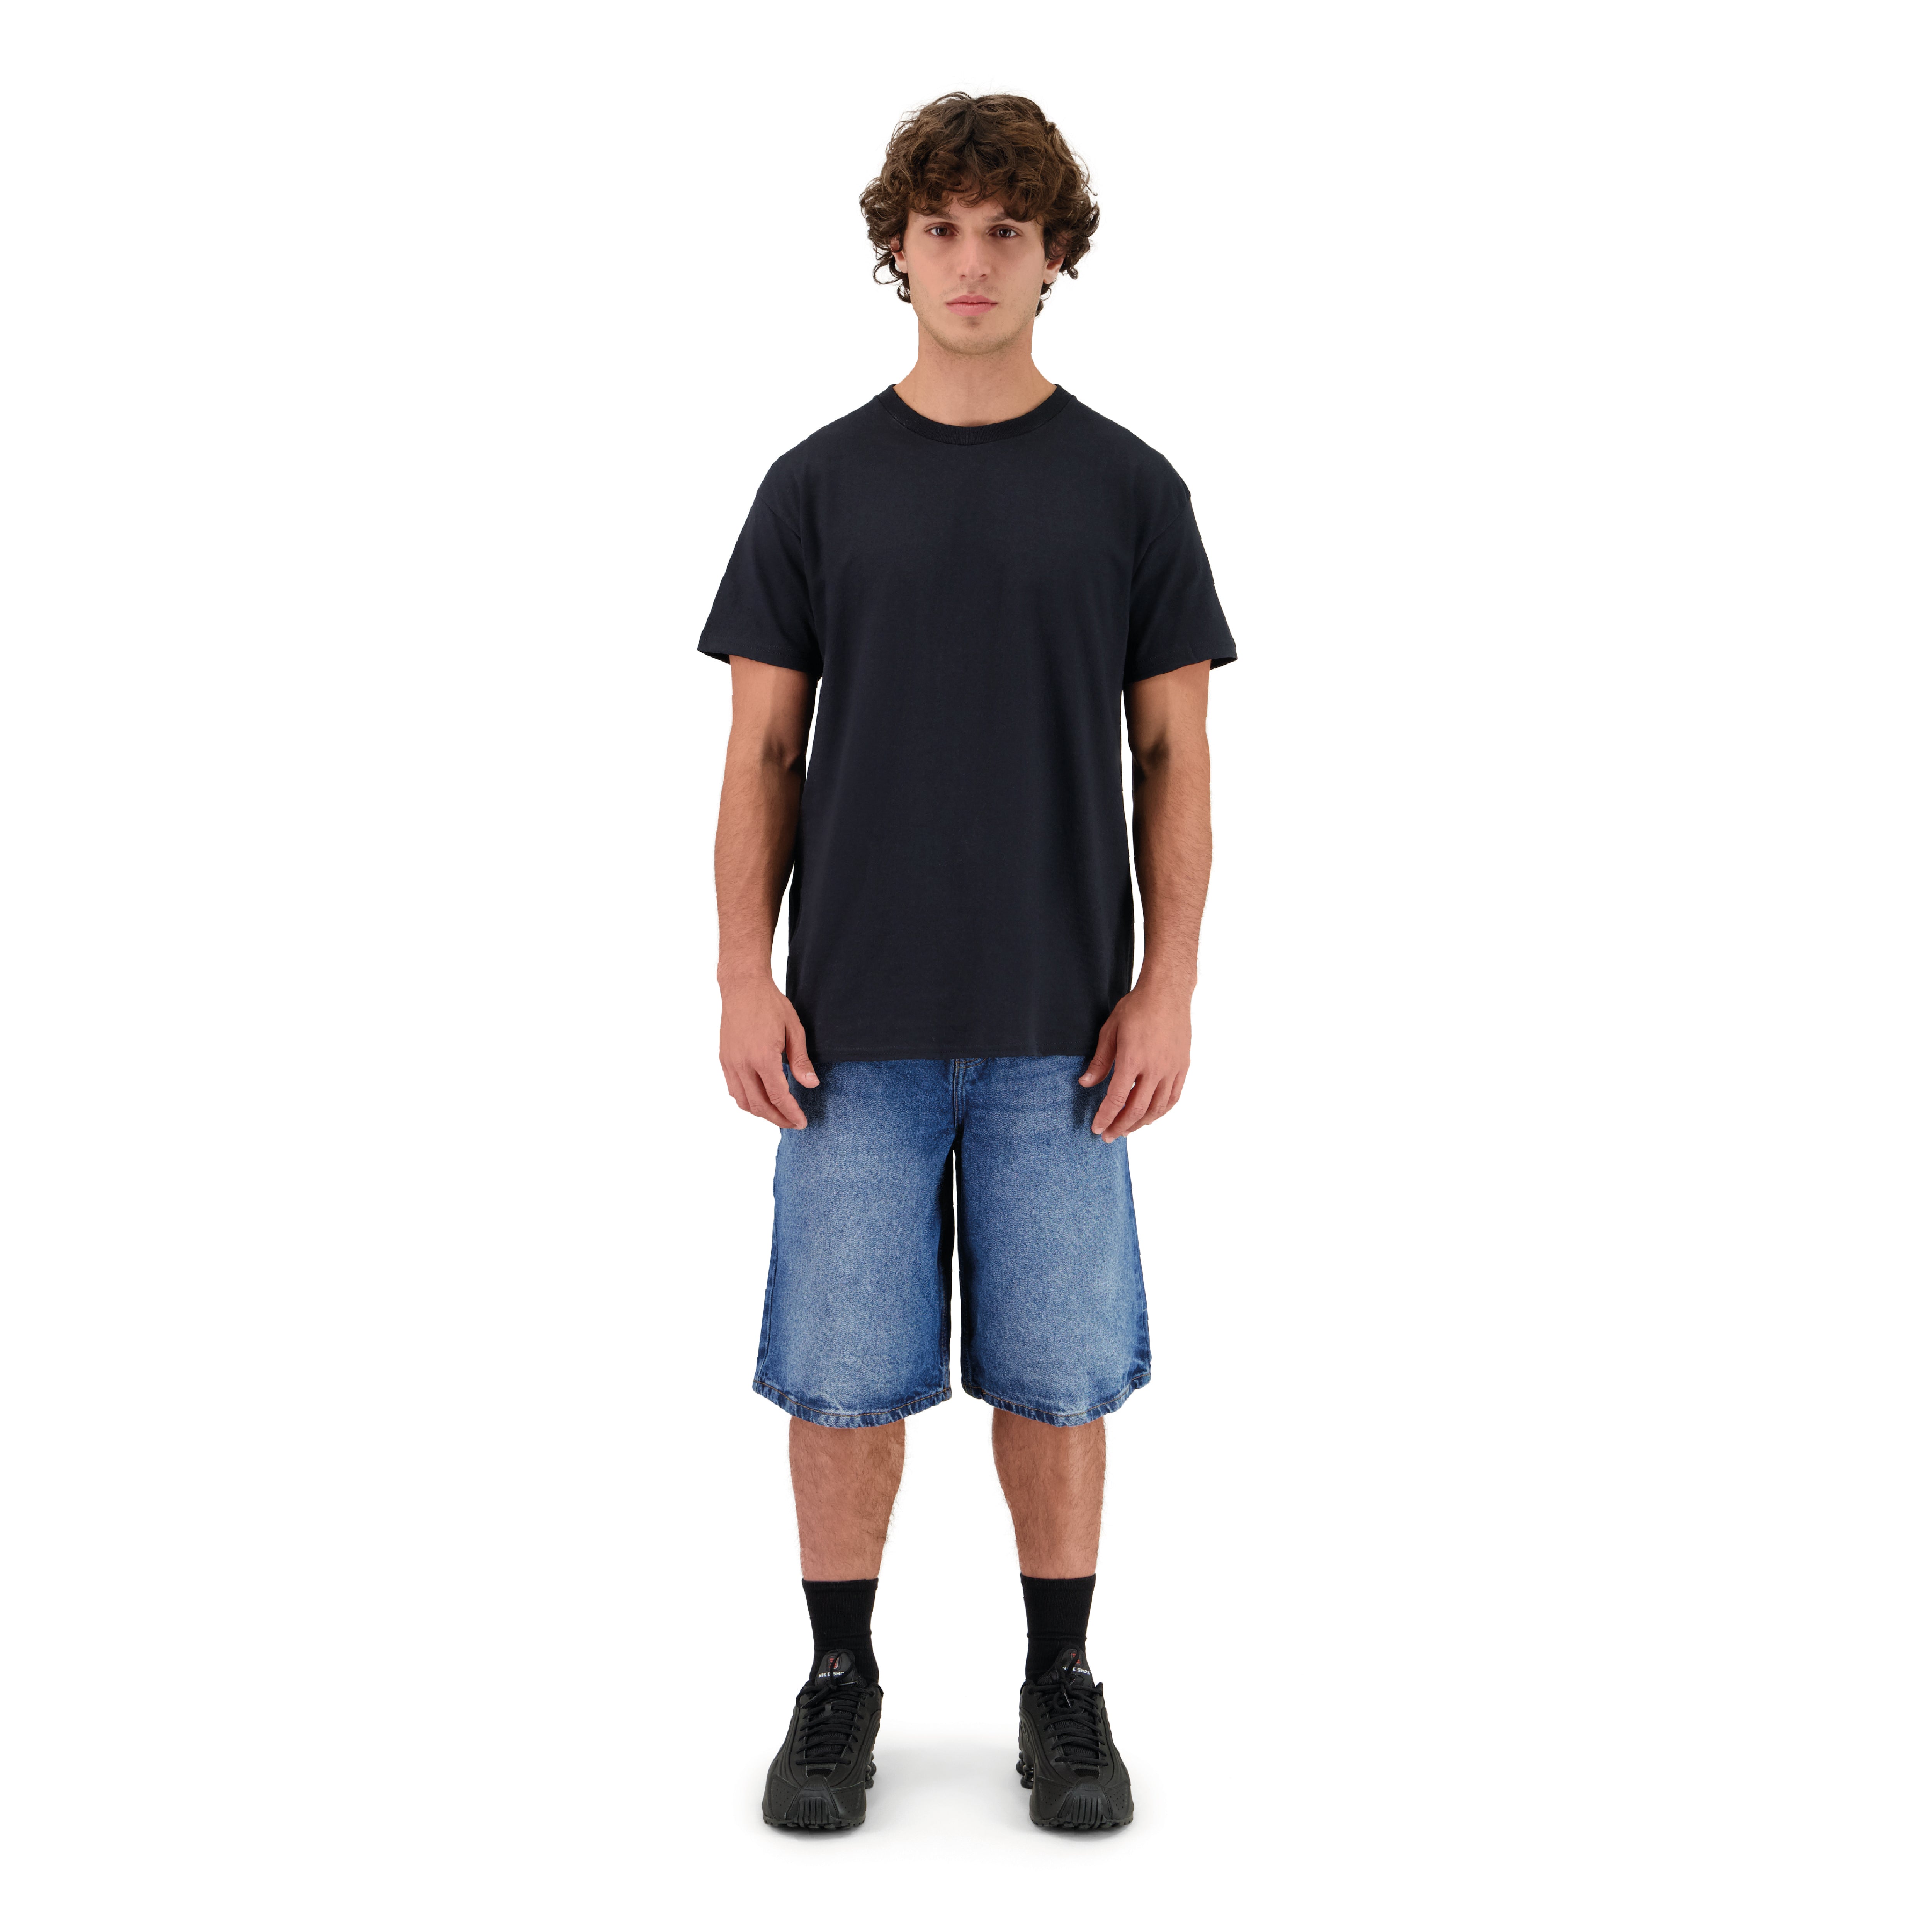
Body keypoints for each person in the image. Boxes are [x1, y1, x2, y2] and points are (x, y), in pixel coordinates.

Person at [699, 91, 1236, 1833]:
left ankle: (1060, 1682)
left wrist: (1168, 984)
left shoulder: (1130, 488)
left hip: (1062, 1026)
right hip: (845, 1024)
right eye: (941, 229)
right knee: (841, 1373)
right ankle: (836, 1681)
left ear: (1056, 252)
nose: (973, 261)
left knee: (1060, 1374)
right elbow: (760, 750)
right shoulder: (815, 485)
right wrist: (741, 973)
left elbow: (1174, 754)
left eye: (1008, 230)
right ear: (897, 250)